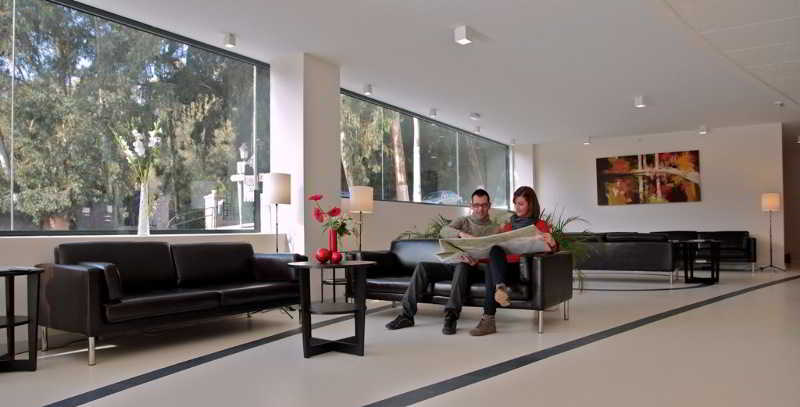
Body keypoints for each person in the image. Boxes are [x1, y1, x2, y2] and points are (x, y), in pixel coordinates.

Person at [386, 189, 501, 335]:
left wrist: (477, 261)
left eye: (484, 205)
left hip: (475, 269)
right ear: (471, 205)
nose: (480, 209)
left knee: (462, 265)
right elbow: (444, 231)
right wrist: (461, 234)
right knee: (423, 267)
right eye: (476, 205)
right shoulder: (463, 221)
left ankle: (451, 316)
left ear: (489, 205)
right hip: (453, 264)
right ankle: (406, 315)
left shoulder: (495, 229)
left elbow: (496, 259)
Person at [469, 186, 557, 336]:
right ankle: (500, 289)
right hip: (504, 270)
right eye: (515, 203)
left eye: (521, 204)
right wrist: (476, 259)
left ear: (531, 204)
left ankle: (488, 320)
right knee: (494, 251)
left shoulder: (540, 225)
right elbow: (494, 255)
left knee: (491, 269)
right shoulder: (508, 226)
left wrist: (553, 244)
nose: (517, 207)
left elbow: (550, 251)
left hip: (523, 270)